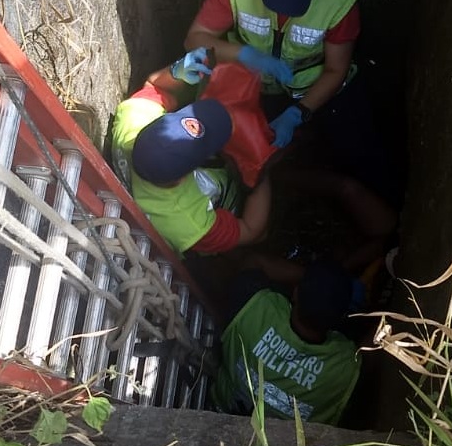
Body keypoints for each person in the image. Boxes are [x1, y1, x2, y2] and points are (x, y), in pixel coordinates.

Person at [184, 0, 362, 150]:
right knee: (219, 146)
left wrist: (298, 114)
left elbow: (336, 69)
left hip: (311, 92)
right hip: (251, 85)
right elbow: (194, 40)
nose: (283, 7)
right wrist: (245, 54)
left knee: (357, 148)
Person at [110, 48, 271, 256]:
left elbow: (155, 86)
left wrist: (177, 71)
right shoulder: (190, 224)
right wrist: (260, 171)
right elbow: (251, 230)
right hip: (225, 201)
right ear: (183, 177)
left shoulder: (134, 120)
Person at [211, 259, 361, 425]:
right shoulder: (346, 367)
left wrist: (312, 278)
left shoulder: (255, 306)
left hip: (218, 413)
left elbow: (253, 262)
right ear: (342, 317)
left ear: (295, 292)